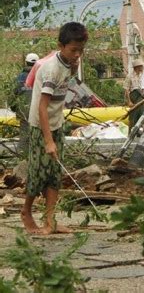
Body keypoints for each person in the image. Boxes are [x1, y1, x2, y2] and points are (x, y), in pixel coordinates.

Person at [21, 22, 88, 235]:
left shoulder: (69, 64)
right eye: (73, 50)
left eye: (80, 50)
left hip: (56, 124)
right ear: (61, 45)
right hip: (41, 126)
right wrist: (48, 141)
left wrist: (75, 66)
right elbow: (42, 107)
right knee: (38, 173)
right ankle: (26, 212)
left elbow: (70, 82)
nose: (77, 54)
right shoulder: (51, 69)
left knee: (54, 173)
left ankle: (50, 220)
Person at [12, 53, 39, 155]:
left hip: (23, 110)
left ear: (26, 62)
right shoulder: (41, 75)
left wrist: (15, 108)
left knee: (24, 134)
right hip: (38, 110)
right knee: (37, 134)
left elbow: (13, 94)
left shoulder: (20, 77)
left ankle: (22, 157)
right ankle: (36, 156)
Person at [124, 58, 144, 127]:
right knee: (133, 114)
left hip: (141, 95)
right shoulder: (129, 76)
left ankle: (139, 131)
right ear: (137, 67)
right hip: (134, 95)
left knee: (142, 112)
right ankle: (131, 132)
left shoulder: (142, 75)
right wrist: (129, 101)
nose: (142, 67)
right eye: (141, 66)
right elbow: (126, 90)